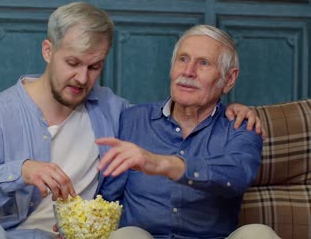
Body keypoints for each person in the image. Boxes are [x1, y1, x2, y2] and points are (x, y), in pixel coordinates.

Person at [0, 2, 263, 239]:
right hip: (6, 235)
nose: (81, 78)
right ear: (48, 51)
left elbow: (221, 156)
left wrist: (234, 108)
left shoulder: (113, 111)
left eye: (94, 67)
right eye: (73, 62)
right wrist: (19, 172)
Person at [97, 25, 280, 239]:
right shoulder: (132, 119)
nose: (188, 71)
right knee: (126, 236)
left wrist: (164, 164)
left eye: (203, 63)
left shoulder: (242, 126)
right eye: (183, 59)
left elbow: (237, 175)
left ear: (229, 79)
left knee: (259, 234)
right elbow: (109, 198)